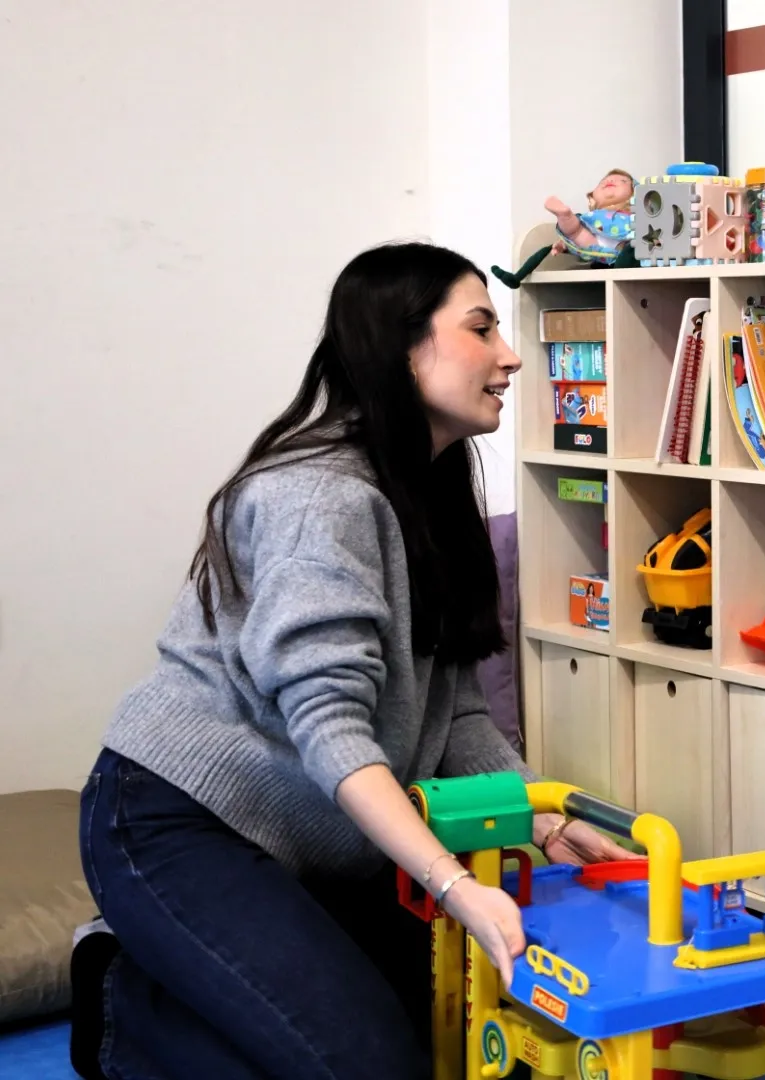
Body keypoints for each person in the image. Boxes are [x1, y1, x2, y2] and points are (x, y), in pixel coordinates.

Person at [71, 242, 632, 1080]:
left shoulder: (434, 490)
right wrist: (453, 884)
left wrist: (542, 819)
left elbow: (459, 717)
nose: (511, 355)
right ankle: (118, 1004)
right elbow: (330, 727)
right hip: (177, 822)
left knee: (470, 1036)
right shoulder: (318, 495)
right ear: (402, 349)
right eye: (481, 328)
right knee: (367, 1067)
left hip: (319, 844)